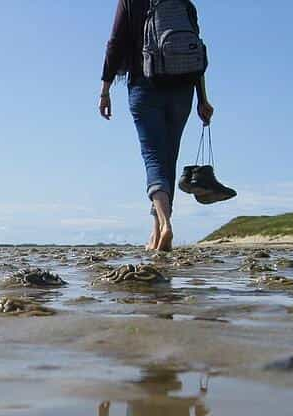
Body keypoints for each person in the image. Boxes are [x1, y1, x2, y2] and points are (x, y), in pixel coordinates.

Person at [99, 0, 214, 251]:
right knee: (167, 160)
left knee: (153, 159)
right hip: (183, 90)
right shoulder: (184, 3)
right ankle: (156, 234)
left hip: (144, 84)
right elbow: (196, 54)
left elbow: (115, 44)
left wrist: (105, 89)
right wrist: (203, 99)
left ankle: (165, 225)